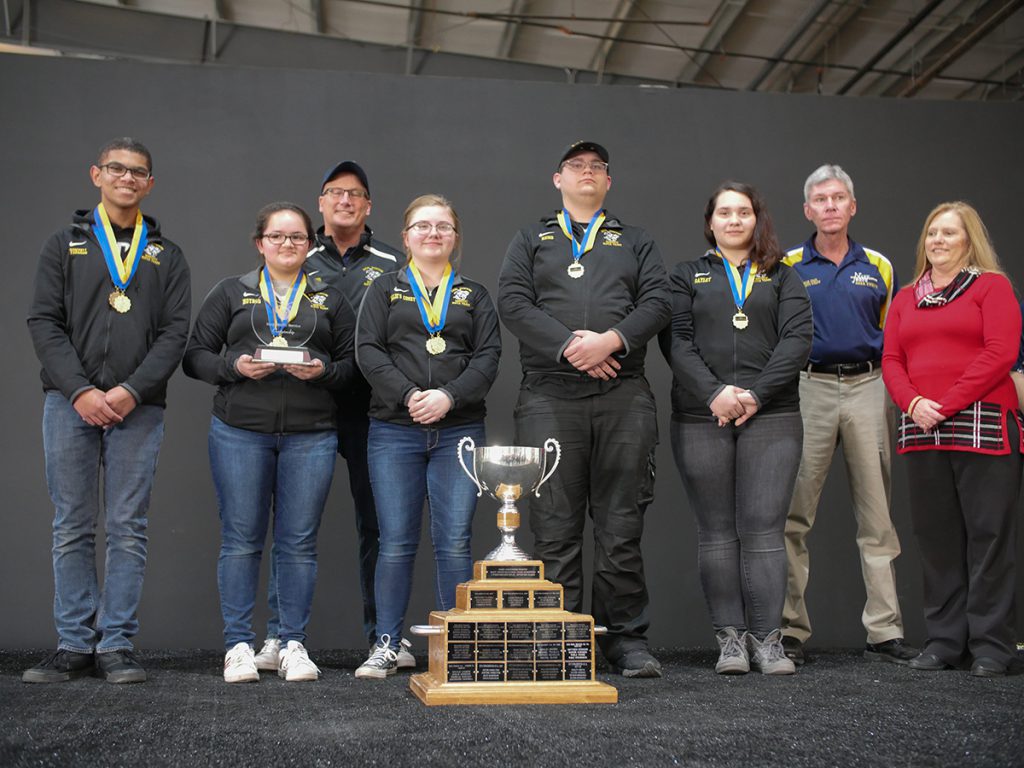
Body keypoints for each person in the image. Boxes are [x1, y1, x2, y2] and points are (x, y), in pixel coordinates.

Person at [498, 141, 670, 678]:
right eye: (577, 166)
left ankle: (625, 641)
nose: (588, 173)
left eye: (598, 167)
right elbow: (512, 300)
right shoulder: (532, 238)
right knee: (554, 526)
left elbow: (659, 303)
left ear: (608, 182)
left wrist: (612, 340)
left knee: (621, 525)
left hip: (623, 393)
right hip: (550, 394)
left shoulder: (636, 240)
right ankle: (560, 635)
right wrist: (575, 348)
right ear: (558, 179)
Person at [24, 137, 191, 684]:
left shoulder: (166, 254)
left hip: (137, 408)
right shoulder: (63, 244)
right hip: (69, 404)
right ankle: (74, 643)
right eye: (116, 169)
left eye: (138, 172)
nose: (126, 178)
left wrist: (129, 392)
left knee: (127, 526)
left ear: (149, 184)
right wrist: (79, 391)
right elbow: (44, 323)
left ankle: (116, 644)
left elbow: (174, 334)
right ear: (96, 174)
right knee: (72, 525)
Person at [252, 161, 415, 672]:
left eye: (356, 194)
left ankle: (383, 637)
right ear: (320, 203)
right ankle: (280, 636)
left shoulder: (393, 258)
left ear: (369, 207)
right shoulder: (298, 250)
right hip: (309, 410)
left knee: (380, 527)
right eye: (334, 193)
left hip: (378, 412)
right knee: (294, 529)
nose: (345, 201)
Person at [183, 203, 356, 683]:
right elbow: (195, 356)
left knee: (298, 543)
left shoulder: (331, 298)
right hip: (240, 431)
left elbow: (352, 366)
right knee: (241, 540)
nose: (287, 245)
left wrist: (323, 371)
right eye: (277, 237)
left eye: (297, 238)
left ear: (310, 245)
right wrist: (231, 368)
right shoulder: (231, 292)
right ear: (259, 243)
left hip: (311, 434)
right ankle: (238, 644)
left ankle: (289, 642)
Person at [661, 182, 812, 675]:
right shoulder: (686, 275)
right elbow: (677, 342)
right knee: (717, 534)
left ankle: (769, 642)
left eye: (742, 212)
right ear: (710, 222)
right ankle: (730, 642)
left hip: (772, 414)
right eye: (723, 212)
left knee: (765, 533)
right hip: (701, 413)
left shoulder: (784, 277)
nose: (733, 220)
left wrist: (753, 395)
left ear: (756, 219)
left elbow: (797, 341)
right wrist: (715, 393)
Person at [354, 194, 501, 678]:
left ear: (455, 237)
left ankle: (458, 644)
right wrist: (413, 394)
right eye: (422, 226)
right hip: (395, 430)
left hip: (459, 430)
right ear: (406, 236)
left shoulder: (474, 295)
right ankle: (387, 643)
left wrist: (449, 397)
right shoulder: (383, 289)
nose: (432, 233)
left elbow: (488, 357)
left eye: (443, 226)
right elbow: (368, 351)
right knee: (395, 541)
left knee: (455, 540)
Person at [779, 165, 916, 666]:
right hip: (807, 386)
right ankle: (790, 629)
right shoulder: (790, 263)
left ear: (853, 207)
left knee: (877, 516)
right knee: (794, 516)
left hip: (867, 384)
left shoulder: (877, 265)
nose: (831, 206)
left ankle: (885, 631)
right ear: (808, 210)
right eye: (821, 199)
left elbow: (891, 335)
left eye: (839, 198)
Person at [882, 201, 1021, 678]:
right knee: (937, 541)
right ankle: (945, 642)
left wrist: (946, 401)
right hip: (923, 430)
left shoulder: (992, 287)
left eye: (949, 233)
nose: (938, 241)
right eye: (932, 233)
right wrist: (914, 403)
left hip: (982, 428)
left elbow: (1001, 352)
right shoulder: (905, 297)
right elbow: (891, 361)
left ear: (969, 240)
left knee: (988, 538)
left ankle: (992, 647)